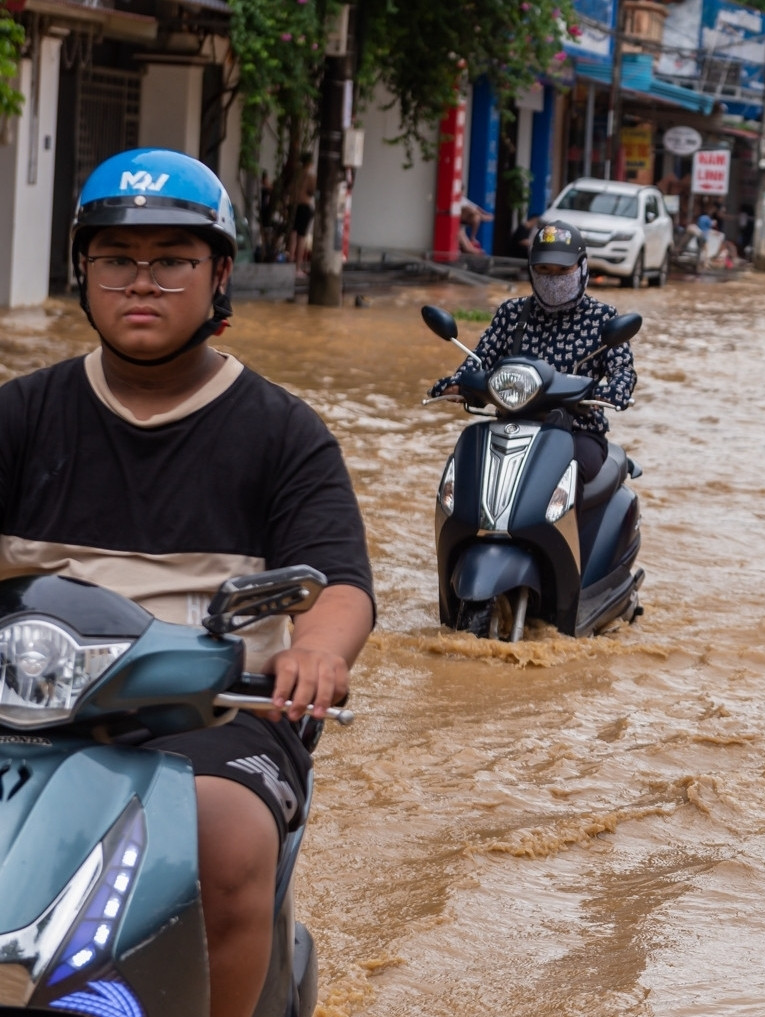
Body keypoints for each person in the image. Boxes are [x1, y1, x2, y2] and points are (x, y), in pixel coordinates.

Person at [0, 148, 374, 1017]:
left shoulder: (283, 433)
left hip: (211, 712)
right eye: (117, 258)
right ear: (82, 271)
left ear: (219, 276)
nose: (142, 281)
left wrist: (316, 651)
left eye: (171, 259)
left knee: (223, 839)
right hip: (26, 702)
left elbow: (341, 584)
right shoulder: (20, 415)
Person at [431, 221, 637, 484]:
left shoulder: (603, 318)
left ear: (582, 267)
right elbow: (480, 359)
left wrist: (614, 390)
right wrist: (458, 385)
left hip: (577, 433)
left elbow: (622, 369)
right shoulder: (512, 313)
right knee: (468, 470)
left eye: (563, 270)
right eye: (543, 270)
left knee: (564, 476)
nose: (553, 278)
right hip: (510, 427)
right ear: (531, 270)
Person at [285, 152, 315, 269]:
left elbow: (288, 190)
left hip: (293, 206)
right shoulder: (309, 176)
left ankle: (290, 260)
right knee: (301, 237)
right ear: (310, 163)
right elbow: (312, 191)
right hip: (304, 206)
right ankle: (298, 266)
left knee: (292, 234)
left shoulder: (295, 175)